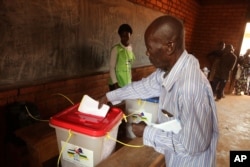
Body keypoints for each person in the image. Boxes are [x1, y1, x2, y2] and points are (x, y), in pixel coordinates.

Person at [99, 15, 219, 167]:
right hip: (175, 158)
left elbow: (192, 145)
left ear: (169, 47)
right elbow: (144, 86)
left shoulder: (189, 87)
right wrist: (110, 96)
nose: (147, 53)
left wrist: (147, 132)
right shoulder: (169, 70)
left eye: (149, 48)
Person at [108, 24, 135, 90]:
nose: (124, 37)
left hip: (127, 82)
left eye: (126, 35)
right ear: (120, 36)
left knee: (127, 100)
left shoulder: (130, 48)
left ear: (130, 35)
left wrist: (130, 79)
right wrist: (115, 84)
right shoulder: (116, 49)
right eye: (122, 35)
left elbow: (129, 65)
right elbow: (112, 67)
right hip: (117, 84)